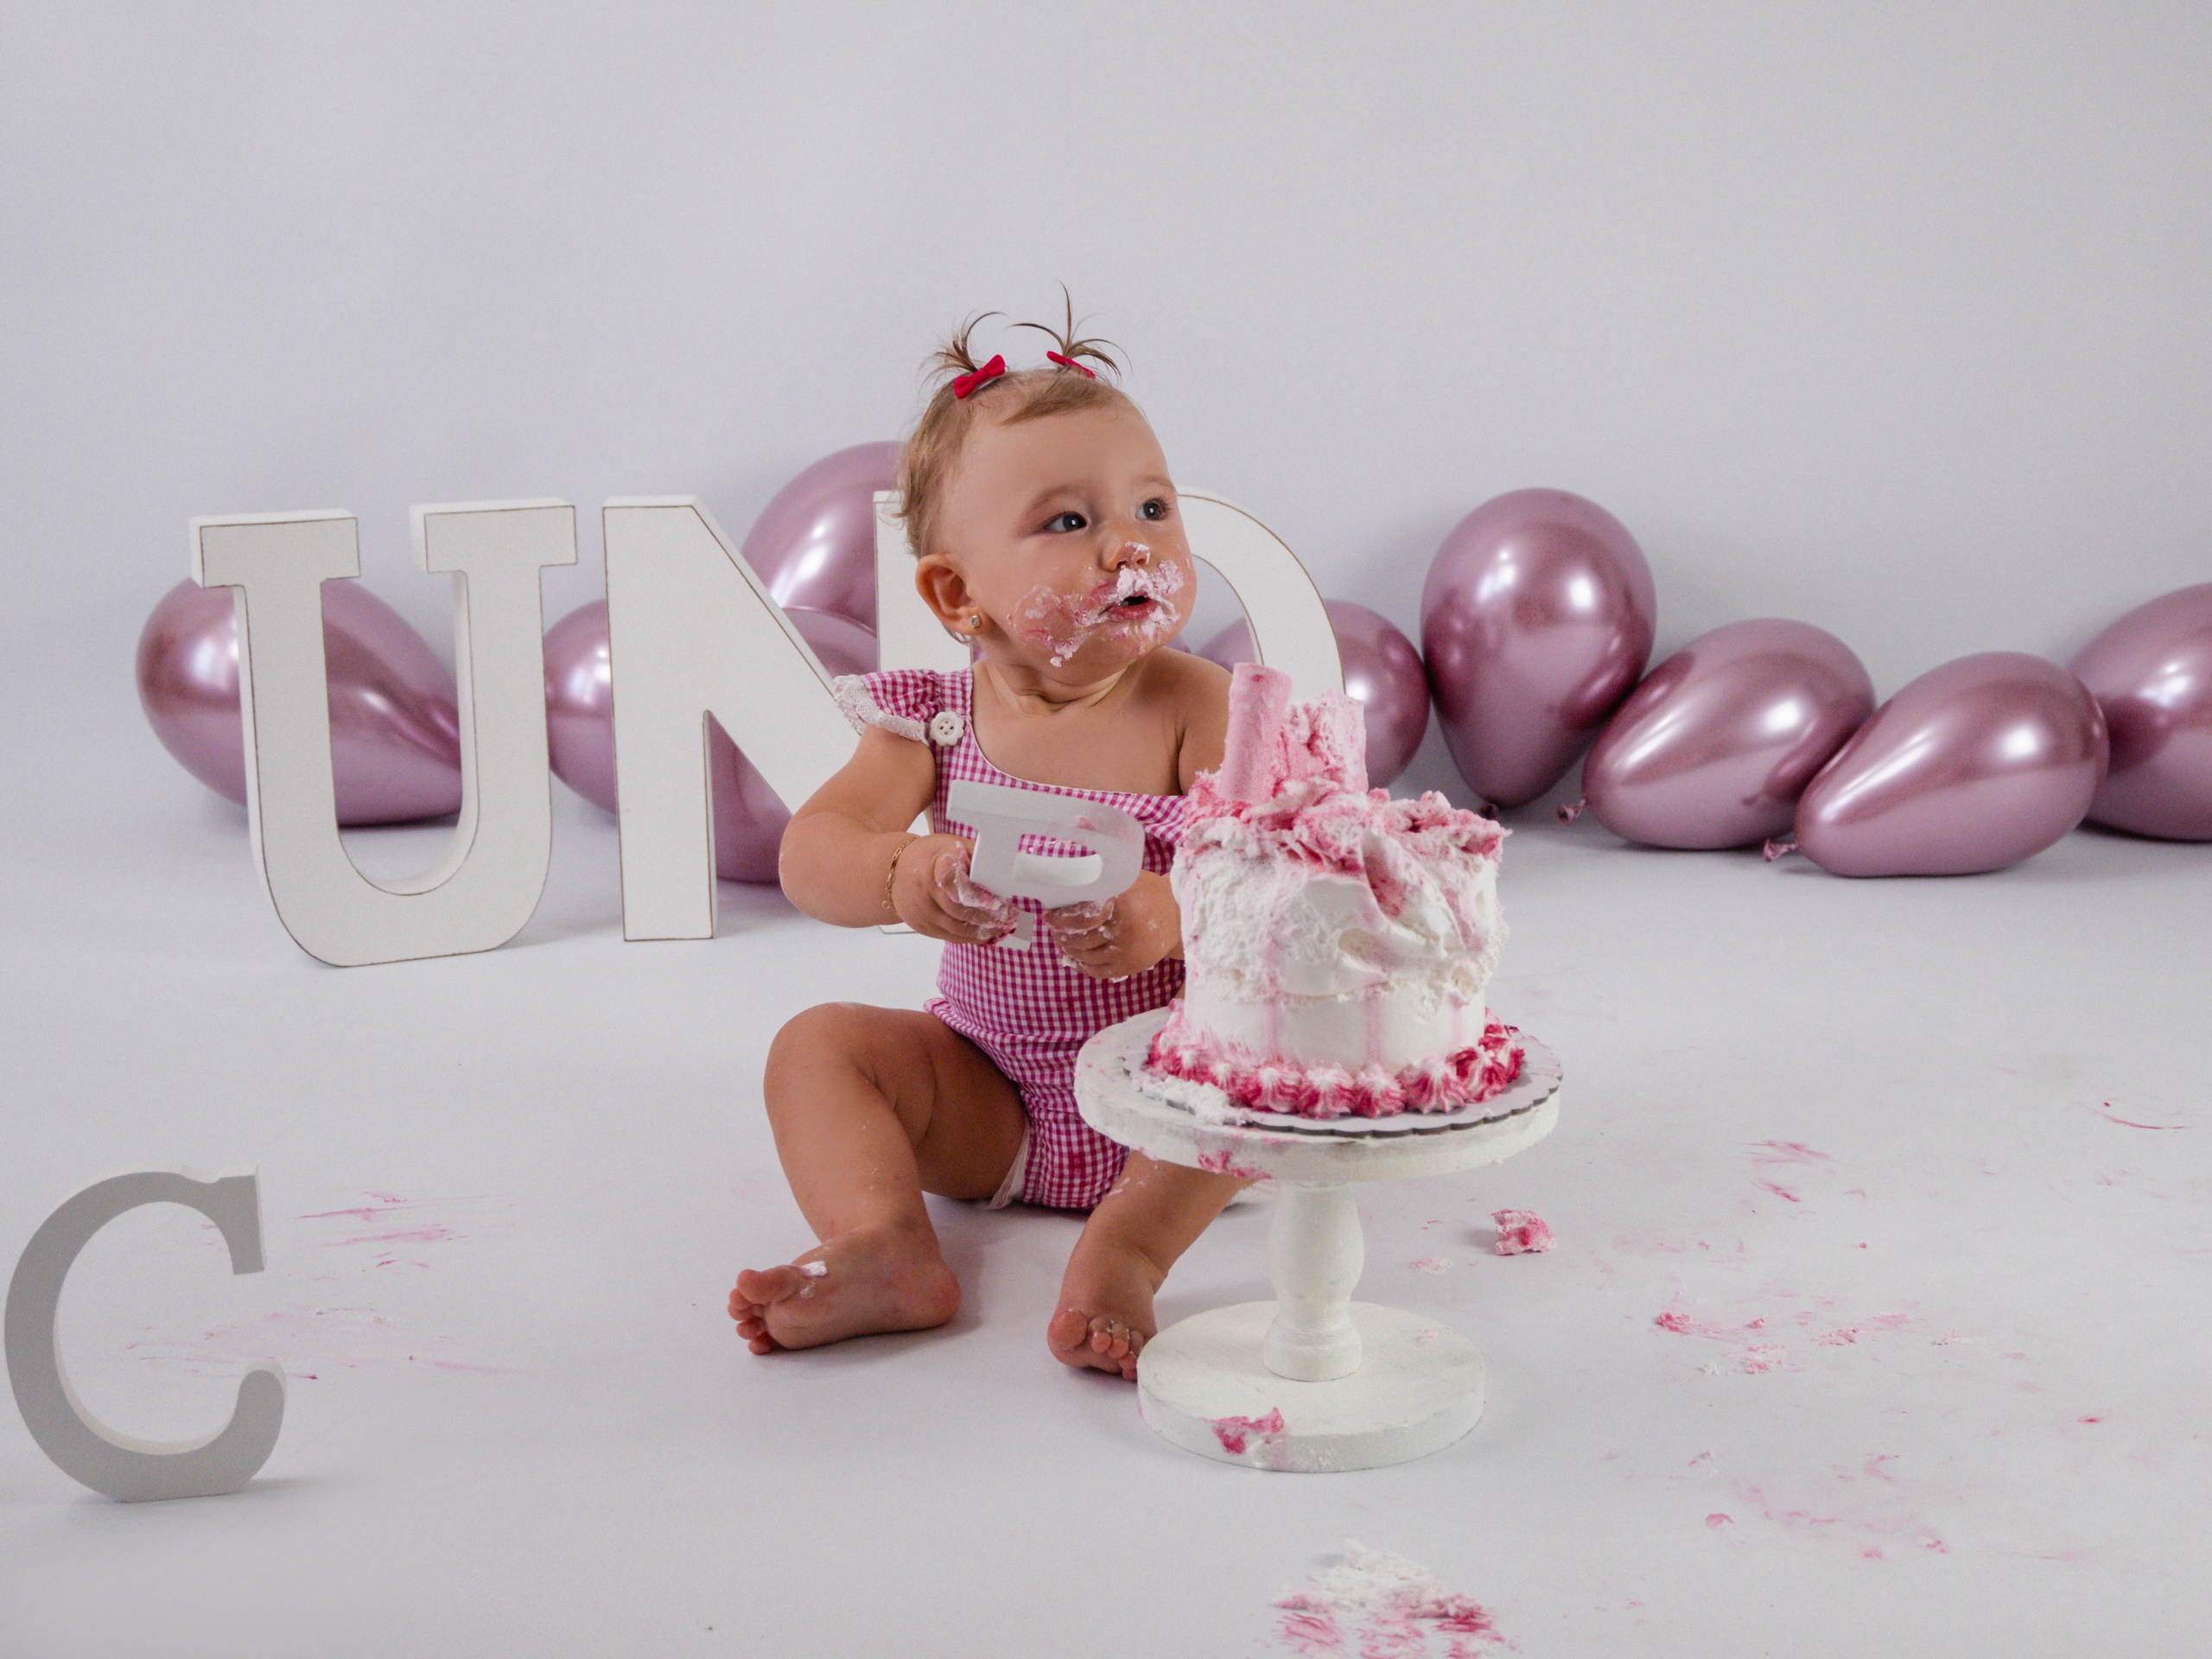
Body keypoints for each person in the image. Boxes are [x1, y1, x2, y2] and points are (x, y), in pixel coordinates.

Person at [728, 308, 1242, 1380]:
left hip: (1171, 1093)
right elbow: (811, 851)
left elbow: (1277, 873)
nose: (1129, 544)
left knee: (1267, 1060)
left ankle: (1128, 1250)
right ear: (958, 593)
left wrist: (1170, 909)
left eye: (1152, 507)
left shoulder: (1198, 704)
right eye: (1068, 523)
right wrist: (897, 871)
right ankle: (887, 1247)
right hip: (991, 1091)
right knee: (816, 1047)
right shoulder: (935, 722)